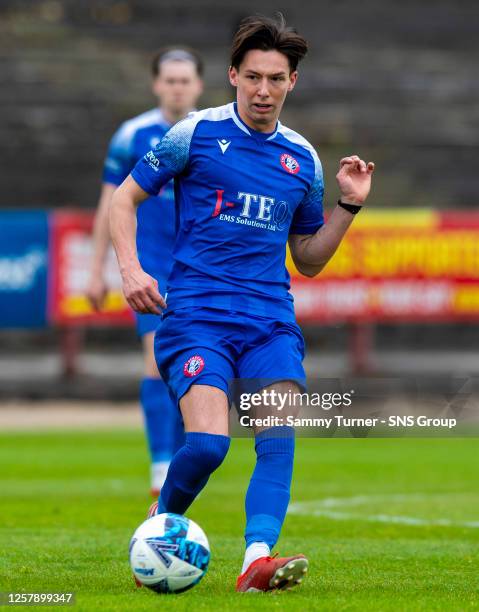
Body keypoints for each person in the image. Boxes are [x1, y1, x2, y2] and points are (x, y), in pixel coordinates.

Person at [110, 14, 374, 592]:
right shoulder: (194, 133)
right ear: (232, 76)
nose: (263, 90)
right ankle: (159, 526)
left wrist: (347, 208)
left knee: (277, 436)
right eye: (252, 77)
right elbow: (123, 201)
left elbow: (307, 258)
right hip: (197, 315)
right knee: (206, 445)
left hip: (269, 322)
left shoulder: (301, 159)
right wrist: (130, 269)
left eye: (276, 79)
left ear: (292, 83)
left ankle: (257, 558)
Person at [86, 47, 203, 496]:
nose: (176, 87)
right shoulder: (131, 135)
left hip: (198, 269)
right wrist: (96, 270)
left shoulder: (210, 133)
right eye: (169, 80)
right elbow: (109, 204)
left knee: (189, 368)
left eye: (184, 79)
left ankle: (179, 463)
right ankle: (160, 467)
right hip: (150, 267)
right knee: (157, 361)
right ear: (157, 84)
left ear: (197, 84)